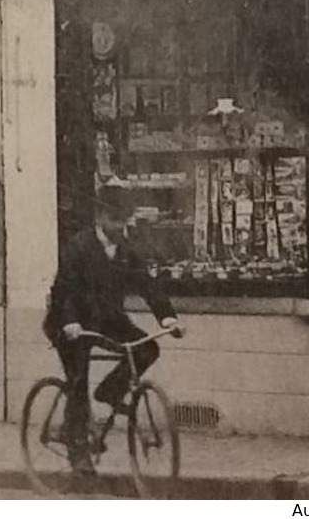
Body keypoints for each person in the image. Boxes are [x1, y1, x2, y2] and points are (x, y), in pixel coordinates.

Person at [44, 185, 183, 477]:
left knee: (147, 348)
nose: (120, 226)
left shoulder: (126, 250)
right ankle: (79, 452)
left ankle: (109, 391)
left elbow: (147, 284)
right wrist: (70, 322)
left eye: (124, 219)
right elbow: (66, 289)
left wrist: (167, 318)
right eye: (115, 219)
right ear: (100, 217)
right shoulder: (78, 246)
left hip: (107, 319)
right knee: (77, 382)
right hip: (69, 321)